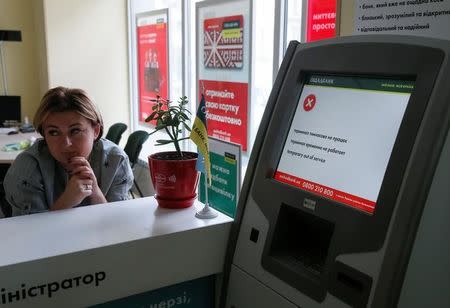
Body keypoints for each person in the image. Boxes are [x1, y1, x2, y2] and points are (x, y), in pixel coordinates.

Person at [3, 86, 134, 216]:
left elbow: (117, 226)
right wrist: (67, 201)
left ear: (96, 131)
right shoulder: (27, 169)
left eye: (75, 131)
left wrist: (95, 192)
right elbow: (29, 233)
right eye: (54, 132)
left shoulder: (116, 160)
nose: (65, 144)